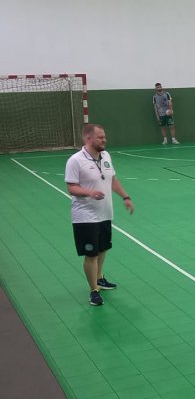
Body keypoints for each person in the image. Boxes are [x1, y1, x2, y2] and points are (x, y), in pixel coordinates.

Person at [65, 124, 135, 306]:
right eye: (100, 137)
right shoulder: (75, 160)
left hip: (105, 213)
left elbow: (112, 179)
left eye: (104, 136)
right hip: (85, 217)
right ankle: (93, 291)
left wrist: (125, 197)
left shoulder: (106, 156)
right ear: (88, 139)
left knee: (103, 249)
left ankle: (99, 278)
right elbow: (71, 187)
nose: (104, 140)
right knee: (91, 255)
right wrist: (90, 193)